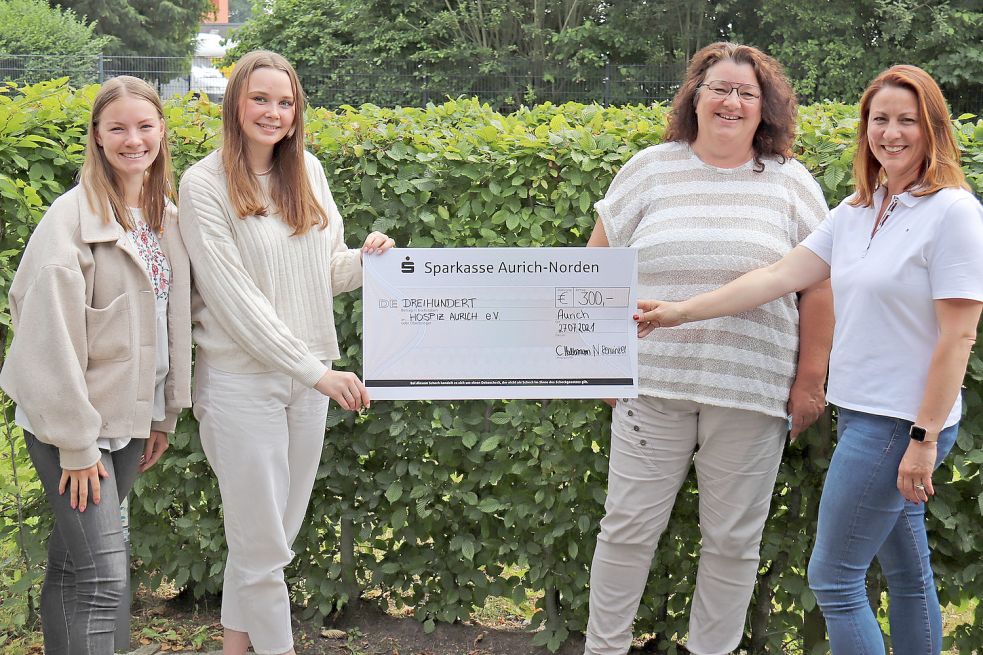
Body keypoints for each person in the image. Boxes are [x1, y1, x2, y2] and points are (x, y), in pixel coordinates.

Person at [638, 65, 983, 655]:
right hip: (864, 414)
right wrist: (679, 312)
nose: (891, 134)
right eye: (880, 120)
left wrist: (922, 439)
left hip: (899, 424)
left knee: (835, 578)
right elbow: (777, 276)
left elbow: (957, 337)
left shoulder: (951, 212)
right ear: (865, 129)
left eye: (907, 121)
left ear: (933, 129)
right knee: (905, 573)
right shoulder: (857, 210)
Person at [583, 42, 833, 655]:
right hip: (650, 386)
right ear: (694, 96)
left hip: (750, 392)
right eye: (718, 87)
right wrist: (598, 365)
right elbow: (595, 269)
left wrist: (809, 381)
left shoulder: (792, 182)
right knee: (627, 530)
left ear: (764, 107)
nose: (731, 101)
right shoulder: (649, 168)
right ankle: (603, 649)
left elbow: (821, 286)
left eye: (747, 92)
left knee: (732, 541)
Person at [178, 50, 394, 655]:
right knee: (263, 548)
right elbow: (236, 304)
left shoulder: (310, 173)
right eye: (260, 99)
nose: (273, 112)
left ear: (297, 112)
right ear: (235, 104)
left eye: (285, 101)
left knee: (267, 541)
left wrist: (373, 262)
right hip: (244, 384)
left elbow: (322, 272)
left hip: (308, 383)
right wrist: (317, 371)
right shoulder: (202, 185)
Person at [0, 75, 192, 655]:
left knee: (71, 566)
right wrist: (77, 446)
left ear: (162, 131)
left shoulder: (166, 217)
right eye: (118, 128)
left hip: (132, 423)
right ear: (98, 137)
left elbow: (169, 323)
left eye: (145, 126)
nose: (134, 139)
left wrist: (164, 416)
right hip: (75, 430)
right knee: (106, 580)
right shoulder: (70, 222)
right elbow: (44, 345)